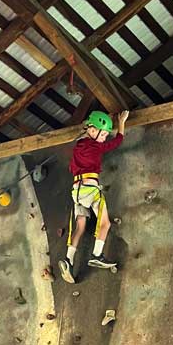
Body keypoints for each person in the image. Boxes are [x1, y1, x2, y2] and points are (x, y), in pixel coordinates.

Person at [59, 109, 129, 284]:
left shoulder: (78, 147)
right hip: (90, 189)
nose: (105, 137)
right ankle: (97, 254)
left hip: (77, 191)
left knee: (80, 226)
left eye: (106, 134)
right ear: (91, 130)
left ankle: (68, 259)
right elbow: (117, 141)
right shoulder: (95, 145)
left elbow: (72, 167)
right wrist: (121, 122)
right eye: (103, 133)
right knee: (105, 223)